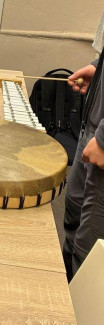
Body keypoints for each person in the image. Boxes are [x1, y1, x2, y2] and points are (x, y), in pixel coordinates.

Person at [63, 13, 104, 280]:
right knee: (73, 215)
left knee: (89, 251)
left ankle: (76, 320)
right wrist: (99, 68)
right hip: (93, 124)